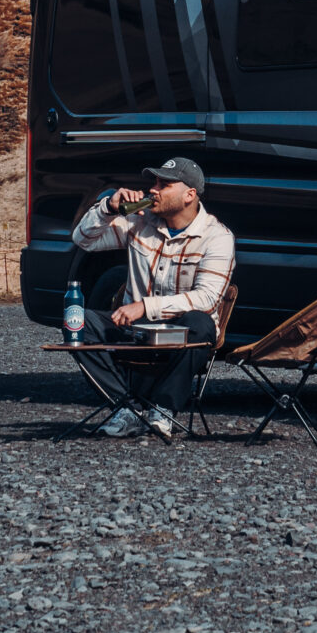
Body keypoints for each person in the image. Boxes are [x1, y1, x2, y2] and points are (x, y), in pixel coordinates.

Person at [68, 157, 234, 440]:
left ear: (189, 195)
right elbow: (83, 240)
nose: (153, 190)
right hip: (136, 331)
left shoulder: (216, 237)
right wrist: (109, 208)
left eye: (164, 184)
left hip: (180, 333)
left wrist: (145, 306)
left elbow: (207, 298)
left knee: (202, 323)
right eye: (154, 182)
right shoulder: (138, 221)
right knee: (77, 322)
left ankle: (163, 410)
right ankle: (126, 409)